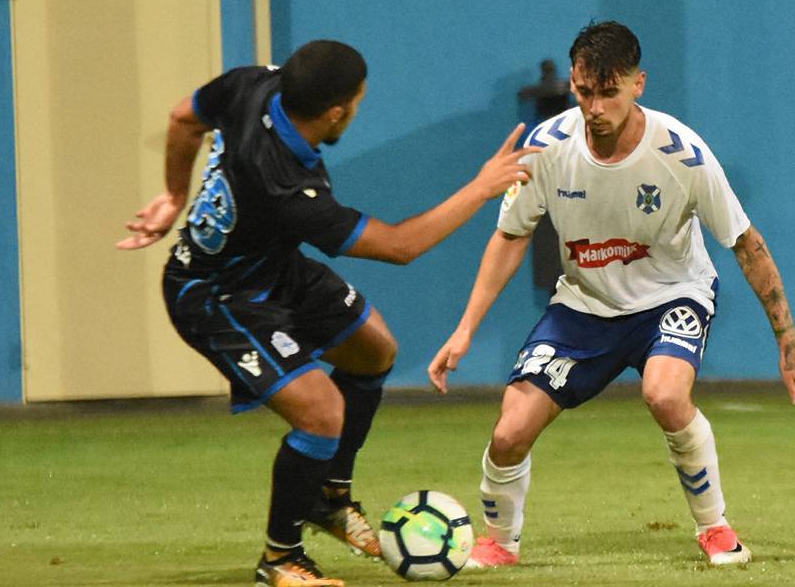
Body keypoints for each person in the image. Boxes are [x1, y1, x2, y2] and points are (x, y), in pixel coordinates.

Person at [117, 40, 538, 587]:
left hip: (271, 263)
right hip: (215, 293)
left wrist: (175, 195)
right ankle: (281, 557)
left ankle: (328, 496)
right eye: (358, 102)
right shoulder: (288, 184)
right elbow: (399, 246)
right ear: (336, 111)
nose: (358, 110)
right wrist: (481, 188)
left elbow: (182, 119)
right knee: (321, 415)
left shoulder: (252, 84)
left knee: (373, 348)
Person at [427, 21, 795, 568]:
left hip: (673, 296)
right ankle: (499, 543)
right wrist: (466, 328)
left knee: (665, 395)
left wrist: (789, 343)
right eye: (583, 91)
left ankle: (716, 529)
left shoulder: (683, 156)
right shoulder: (547, 147)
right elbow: (510, 235)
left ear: (638, 84)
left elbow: (747, 244)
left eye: (609, 92)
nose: (594, 107)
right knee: (508, 433)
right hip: (583, 306)